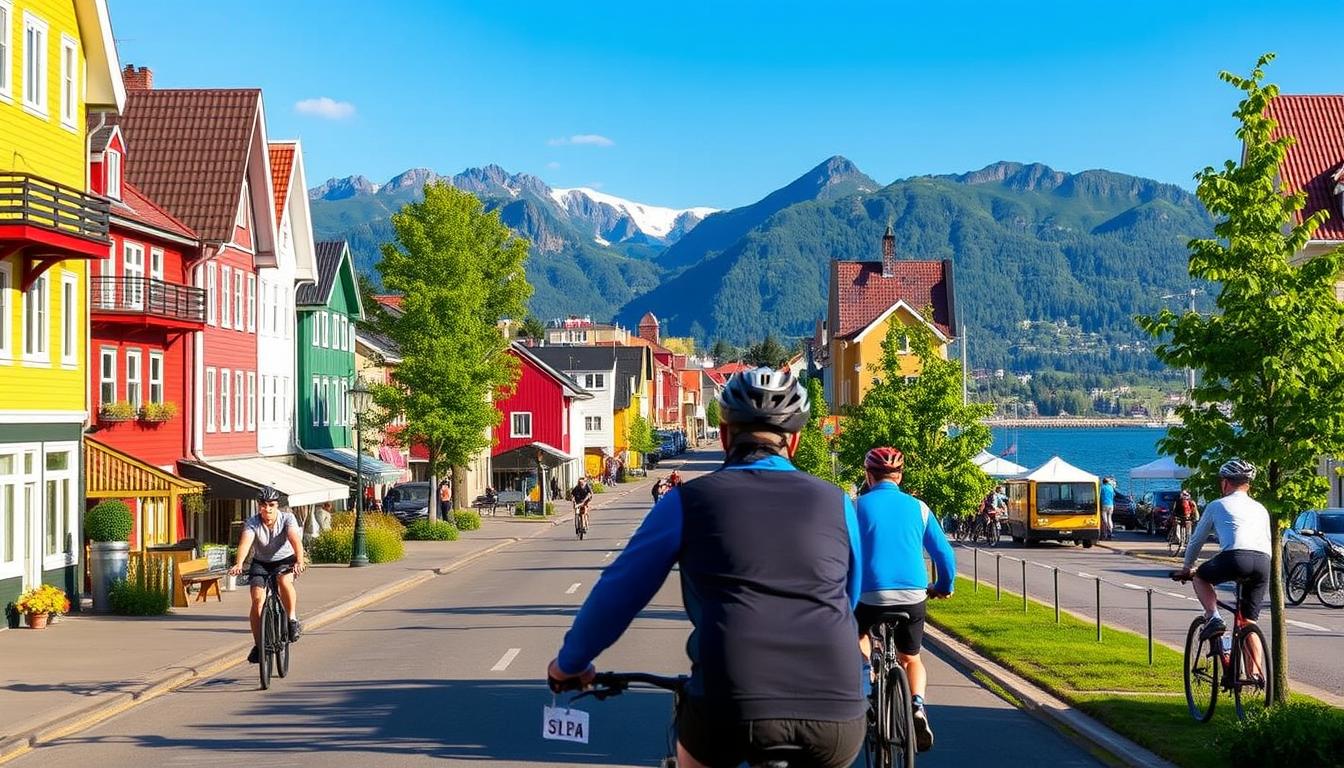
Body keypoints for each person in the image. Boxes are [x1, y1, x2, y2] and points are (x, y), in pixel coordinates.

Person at [546, 366, 866, 768]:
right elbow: (849, 597)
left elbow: (620, 592)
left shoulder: (687, 501)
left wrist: (569, 665)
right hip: (835, 711)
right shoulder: (837, 502)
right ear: (796, 441)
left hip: (729, 702)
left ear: (725, 435)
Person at [854, 446, 956, 753]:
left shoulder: (855, 506)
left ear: (868, 476)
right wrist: (943, 585)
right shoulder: (919, 508)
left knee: (856, 634)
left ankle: (864, 688)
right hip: (913, 594)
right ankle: (917, 707)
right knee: (911, 657)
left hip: (868, 593)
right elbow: (944, 555)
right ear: (900, 476)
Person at [1173, 459, 1271, 676]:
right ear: (1249, 484)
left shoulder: (1217, 505)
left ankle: (1213, 616)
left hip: (1235, 557)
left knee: (1200, 577)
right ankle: (1255, 676)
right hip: (1263, 563)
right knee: (1248, 622)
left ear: (1225, 483)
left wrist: (1187, 567)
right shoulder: (1261, 508)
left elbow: (1197, 540)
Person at [227, 486, 306, 663]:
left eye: (271, 505)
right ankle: (259, 644)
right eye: (263, 505)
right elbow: (245, 544)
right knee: (257, 601)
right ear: (258, 506)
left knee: (284, 581)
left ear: (277, 506)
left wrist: (299, 561)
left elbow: (295, 539)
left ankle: (292, 619)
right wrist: (239, 563)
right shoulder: (253, 522)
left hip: (285, 560)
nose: (267, 509)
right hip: (261, 563)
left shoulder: (287, 518)